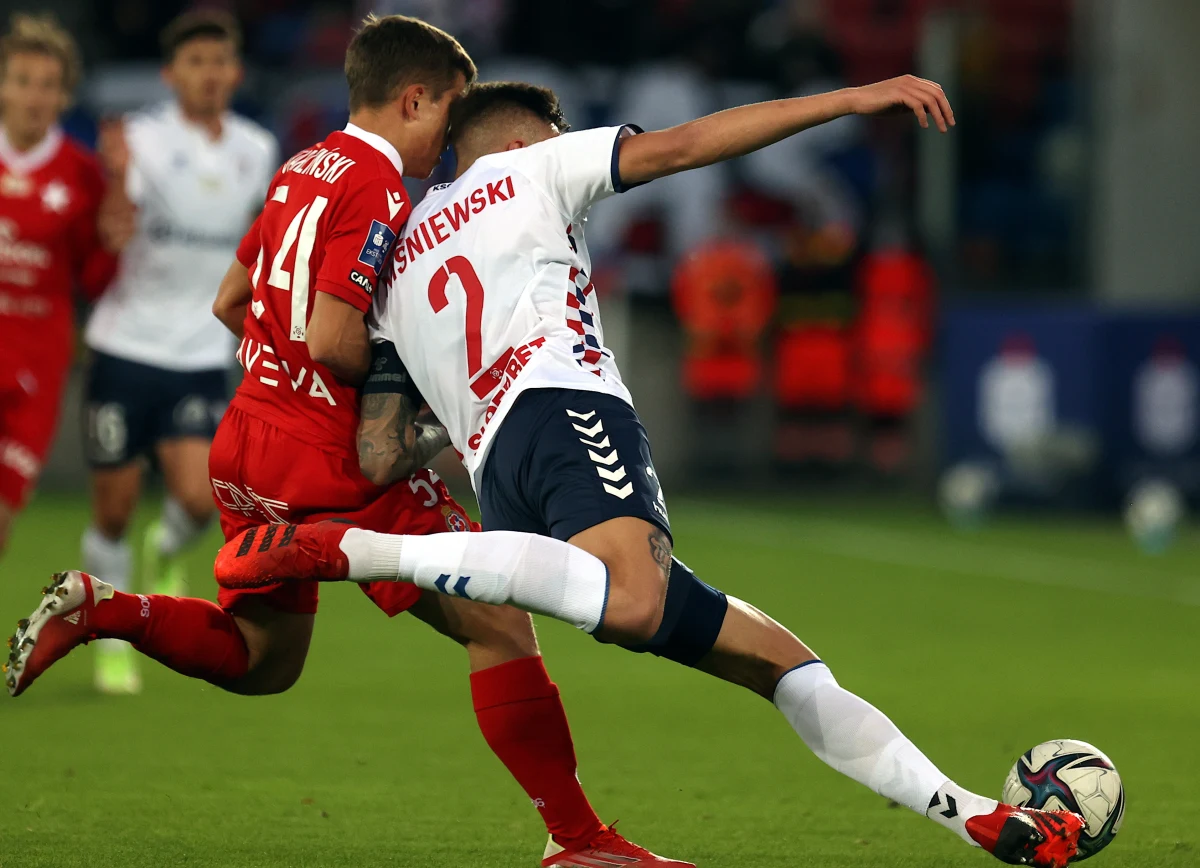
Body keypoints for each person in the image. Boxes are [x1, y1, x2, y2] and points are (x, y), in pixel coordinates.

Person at [223, 80, 1080, 866]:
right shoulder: (534, 168)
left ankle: (970, 813)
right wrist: (851, 99)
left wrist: (463, 398)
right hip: (569, 410)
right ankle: (345, 550)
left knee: (778, 662)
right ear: (522, 138)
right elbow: (684, 145)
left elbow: (378, 448)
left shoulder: (402, 256)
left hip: (501, 472)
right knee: (632, 603)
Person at [6, 16, 691, 868]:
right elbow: (334, 339)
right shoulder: (375, 187)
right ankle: (578, 841)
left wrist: (279, 377)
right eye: (447, 113)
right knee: (501, 625)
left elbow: (231, 301)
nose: (450, 138)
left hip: (247, 440)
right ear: (414, 100)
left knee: (262, 659)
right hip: (330, 460)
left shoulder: (301, 167)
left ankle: (109, 608)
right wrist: (434, 383)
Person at [78, 10, 278, 695]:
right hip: (124, 345)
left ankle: (163, 557)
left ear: (235, 72)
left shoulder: (256, 148)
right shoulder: (140, 141)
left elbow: (263, 245)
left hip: (198, 352)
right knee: (112, 509)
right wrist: (114, 184)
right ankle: (108, 635)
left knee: (198, 501)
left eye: (220, 62)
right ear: (171, 75)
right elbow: (111, 231)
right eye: (195, 63)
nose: (209, 75)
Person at [0, 14, 129, 558]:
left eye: (48, 85)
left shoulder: (80, 172)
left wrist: (115, 237)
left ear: (65, 96)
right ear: (4, 84)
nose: (34, 96)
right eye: (23, 80)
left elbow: (93, 279)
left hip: (37, 360)